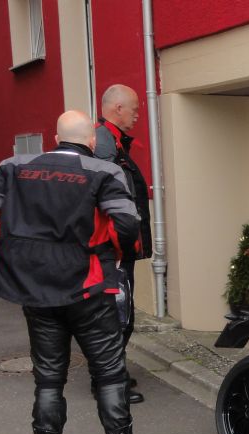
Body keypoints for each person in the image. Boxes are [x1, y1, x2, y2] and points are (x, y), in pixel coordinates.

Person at [0, 110, 154, 434]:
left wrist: (18, 248)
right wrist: (111, 254)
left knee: (49, 381)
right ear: (92, 141)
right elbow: (126, 223)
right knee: (109, 375)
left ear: (55, 138)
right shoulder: (105, 171)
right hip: (89, 288)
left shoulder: (14, 167)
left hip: (37, 290)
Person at [94, 84, 151, 404]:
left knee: (119, 315)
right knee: (116, 316)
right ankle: (110, 383)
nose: (137, 115)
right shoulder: (105, 145)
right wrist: (117, 245)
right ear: (117, 108)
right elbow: (107, 199)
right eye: (134, 109)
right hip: (113, 250)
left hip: (117, 248)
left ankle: (112, 375)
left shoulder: (111, 141)